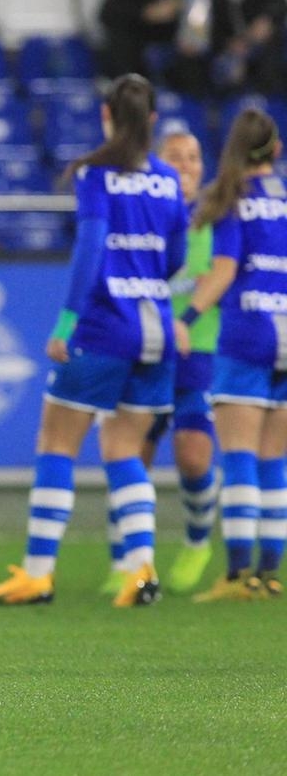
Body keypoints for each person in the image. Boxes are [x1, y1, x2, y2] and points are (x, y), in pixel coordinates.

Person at [0, 75, 186, 609]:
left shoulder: (96, 175)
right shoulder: (167, 181)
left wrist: (67, 323)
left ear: (106, 116)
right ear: (154, 122)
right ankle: (141, 568)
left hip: (104, 327)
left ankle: (38, 574)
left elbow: (90, 250)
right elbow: (177, 256)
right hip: (156, 328)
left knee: (56, 444)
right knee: (124, 451)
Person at [101, 126, 221, 596]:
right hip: (146, 344)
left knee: (193, 457)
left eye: (193, 157)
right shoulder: (143, 209)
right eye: (176, 158)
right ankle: (126, 557)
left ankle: (196, 542)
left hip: (200, 350)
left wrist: (187, 318)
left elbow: (221, 276)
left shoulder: (217, 216)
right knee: (134, 453)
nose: (187, 166)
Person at [181, 108, 287, 601]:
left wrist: (185, 320)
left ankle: (238, 573)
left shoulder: (232, 200)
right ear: (276, 150)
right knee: (275, 461)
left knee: (240, 457)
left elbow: (222, 272)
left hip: (247, 331)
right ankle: (269, 575)